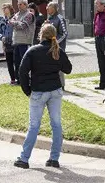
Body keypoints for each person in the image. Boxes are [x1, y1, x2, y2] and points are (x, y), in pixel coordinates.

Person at [13, 23, 72, 170]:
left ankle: (24, 159)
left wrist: (27, 90)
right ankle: (54, 159)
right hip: (55, 90)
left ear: (41, 35)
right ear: (54, 36)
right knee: (56, 124)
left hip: (38, 91)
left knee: (34, 126)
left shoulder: (33, 51)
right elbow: (68, 69)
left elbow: (22, 71)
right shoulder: (57, 51)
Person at [9, 0, 36, 81]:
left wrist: (15, 23)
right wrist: (17, 23)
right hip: (16, 41)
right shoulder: (17, 14)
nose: (19, 6)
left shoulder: (29, 15)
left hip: (25, 41)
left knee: (24, 62)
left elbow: (23, 26)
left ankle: (27, 79)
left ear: (25, 5)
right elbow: (10, 22)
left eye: (20, 4)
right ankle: (19, 79)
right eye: (18, 4)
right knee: (17, 62)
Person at [45, 2, 67, 89]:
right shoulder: (49, 18)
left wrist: (55, 42)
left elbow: (64, 33)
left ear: (54, 8)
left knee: (59, 65)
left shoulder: (60, 18)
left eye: (48, 7)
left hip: (58, 47)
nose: (46, 8)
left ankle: (61, 85)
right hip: (49, 46)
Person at [0, 3, 17, 85]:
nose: (4, 10)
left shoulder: (15, 18)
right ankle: (12, 79)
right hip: (6, 44)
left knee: (17, 61)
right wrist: (1, 37)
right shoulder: (2, 20)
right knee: (9, 63)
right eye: (3, 9)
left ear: (10, 9)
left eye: (5, 8)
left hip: (15, 43)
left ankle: (18, 77)